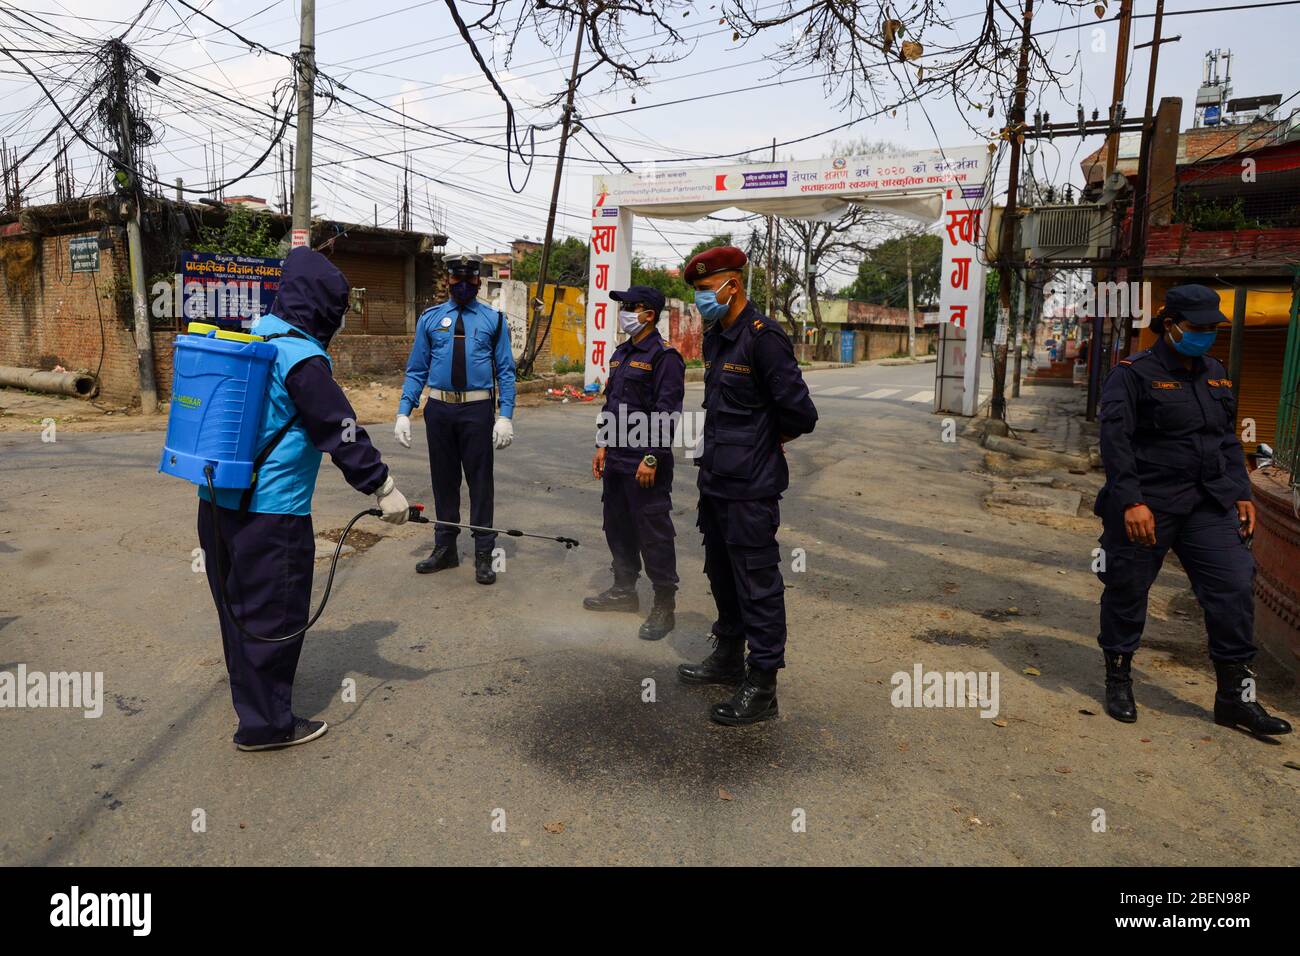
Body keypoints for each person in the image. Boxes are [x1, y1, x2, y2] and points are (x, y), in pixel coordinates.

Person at [197, 247, 410, 752]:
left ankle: (252, 705)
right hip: (273, 515)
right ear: (322, 305)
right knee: (273, 618)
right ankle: (267, 726)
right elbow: (341, 431)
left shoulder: (252, 337)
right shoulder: (303, 360)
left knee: (239, 611)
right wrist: (383, 488)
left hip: (217, 503)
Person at [1095, 283, 1291, 738]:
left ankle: (1234, 700)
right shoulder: (1132, 374)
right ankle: (1119, 680)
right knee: (1127, 588)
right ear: (1170, 325)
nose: (1206, 335)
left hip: (1208, 503)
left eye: (1211, 328)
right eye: (1198, 327)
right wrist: (1133, 502)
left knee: (1234, 586)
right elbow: (1115, 444)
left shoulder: (1216, 372)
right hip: (1150, 504)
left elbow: (1225, 438)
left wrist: (1242, 490)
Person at [676, 246, 818, 726]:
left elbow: (801, 414)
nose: (699, 301)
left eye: (702, 291)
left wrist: (765, 438)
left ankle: (762, 683)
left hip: (751, 488)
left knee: (757, 582)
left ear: (730, 285)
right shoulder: (719, 338)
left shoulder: (764, 339)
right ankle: (728, 656)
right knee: (720, 572)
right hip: (715, 479)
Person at [395, 253, 517, 585]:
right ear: (448, 281)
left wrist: (505, 416)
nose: (463, 285)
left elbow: (506, 372)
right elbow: (416, 370)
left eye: (470, 280)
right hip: (439, 409)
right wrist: (404, 411)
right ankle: (445, 548)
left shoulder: (493, 320)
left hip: (477, 410)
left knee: (480, 485)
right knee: (443, 482)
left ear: (478, 282)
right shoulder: (430, 319)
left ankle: (483, 554)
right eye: (457, 280)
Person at [585, 285, 686, 641]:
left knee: (653, 534)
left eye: (630, 306)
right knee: (618, 528)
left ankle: (664, 605)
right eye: (622, 305)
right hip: (616, 458)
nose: (623, 311)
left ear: (649, 314)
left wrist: (651, 457)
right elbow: (610, 404)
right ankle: (623, 592)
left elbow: (667, 413)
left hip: (644, 460)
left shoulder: (664, 357)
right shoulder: (621, 354)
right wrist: (602, 445)